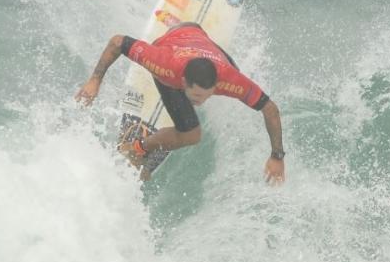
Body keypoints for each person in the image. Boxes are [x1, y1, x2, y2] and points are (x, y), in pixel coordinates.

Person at [75, 22, 285, 184]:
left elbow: (271, 109)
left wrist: (277, 155)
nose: (199, 102)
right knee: (192, 134)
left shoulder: (230, 81)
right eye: (195, 97)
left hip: (199, 36)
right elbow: (117, 42)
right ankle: (135, 148)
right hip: (173, 42)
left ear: (216, 87)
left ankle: (173, 121)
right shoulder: (164, 65)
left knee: (236, 69)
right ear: (184, 83)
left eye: (205, 96)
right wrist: (95, 80)